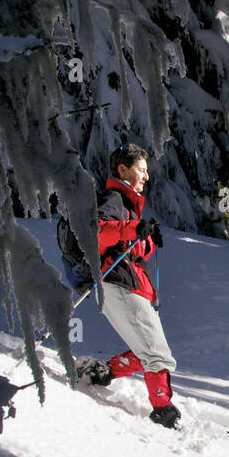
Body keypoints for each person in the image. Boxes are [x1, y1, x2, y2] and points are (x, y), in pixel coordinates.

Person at [85, 143, 181, 429]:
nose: (147, 176)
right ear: (122, 169)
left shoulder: (127, 204)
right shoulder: (114, 198)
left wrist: (146, 239)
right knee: (157, 355)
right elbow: (98, 233)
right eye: (141, 169)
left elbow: (132, 249)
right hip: (118, 285)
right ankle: (164, 412)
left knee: (149, 352)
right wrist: (133, 229)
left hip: (127, 286)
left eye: (147, 171)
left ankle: (101, 373)